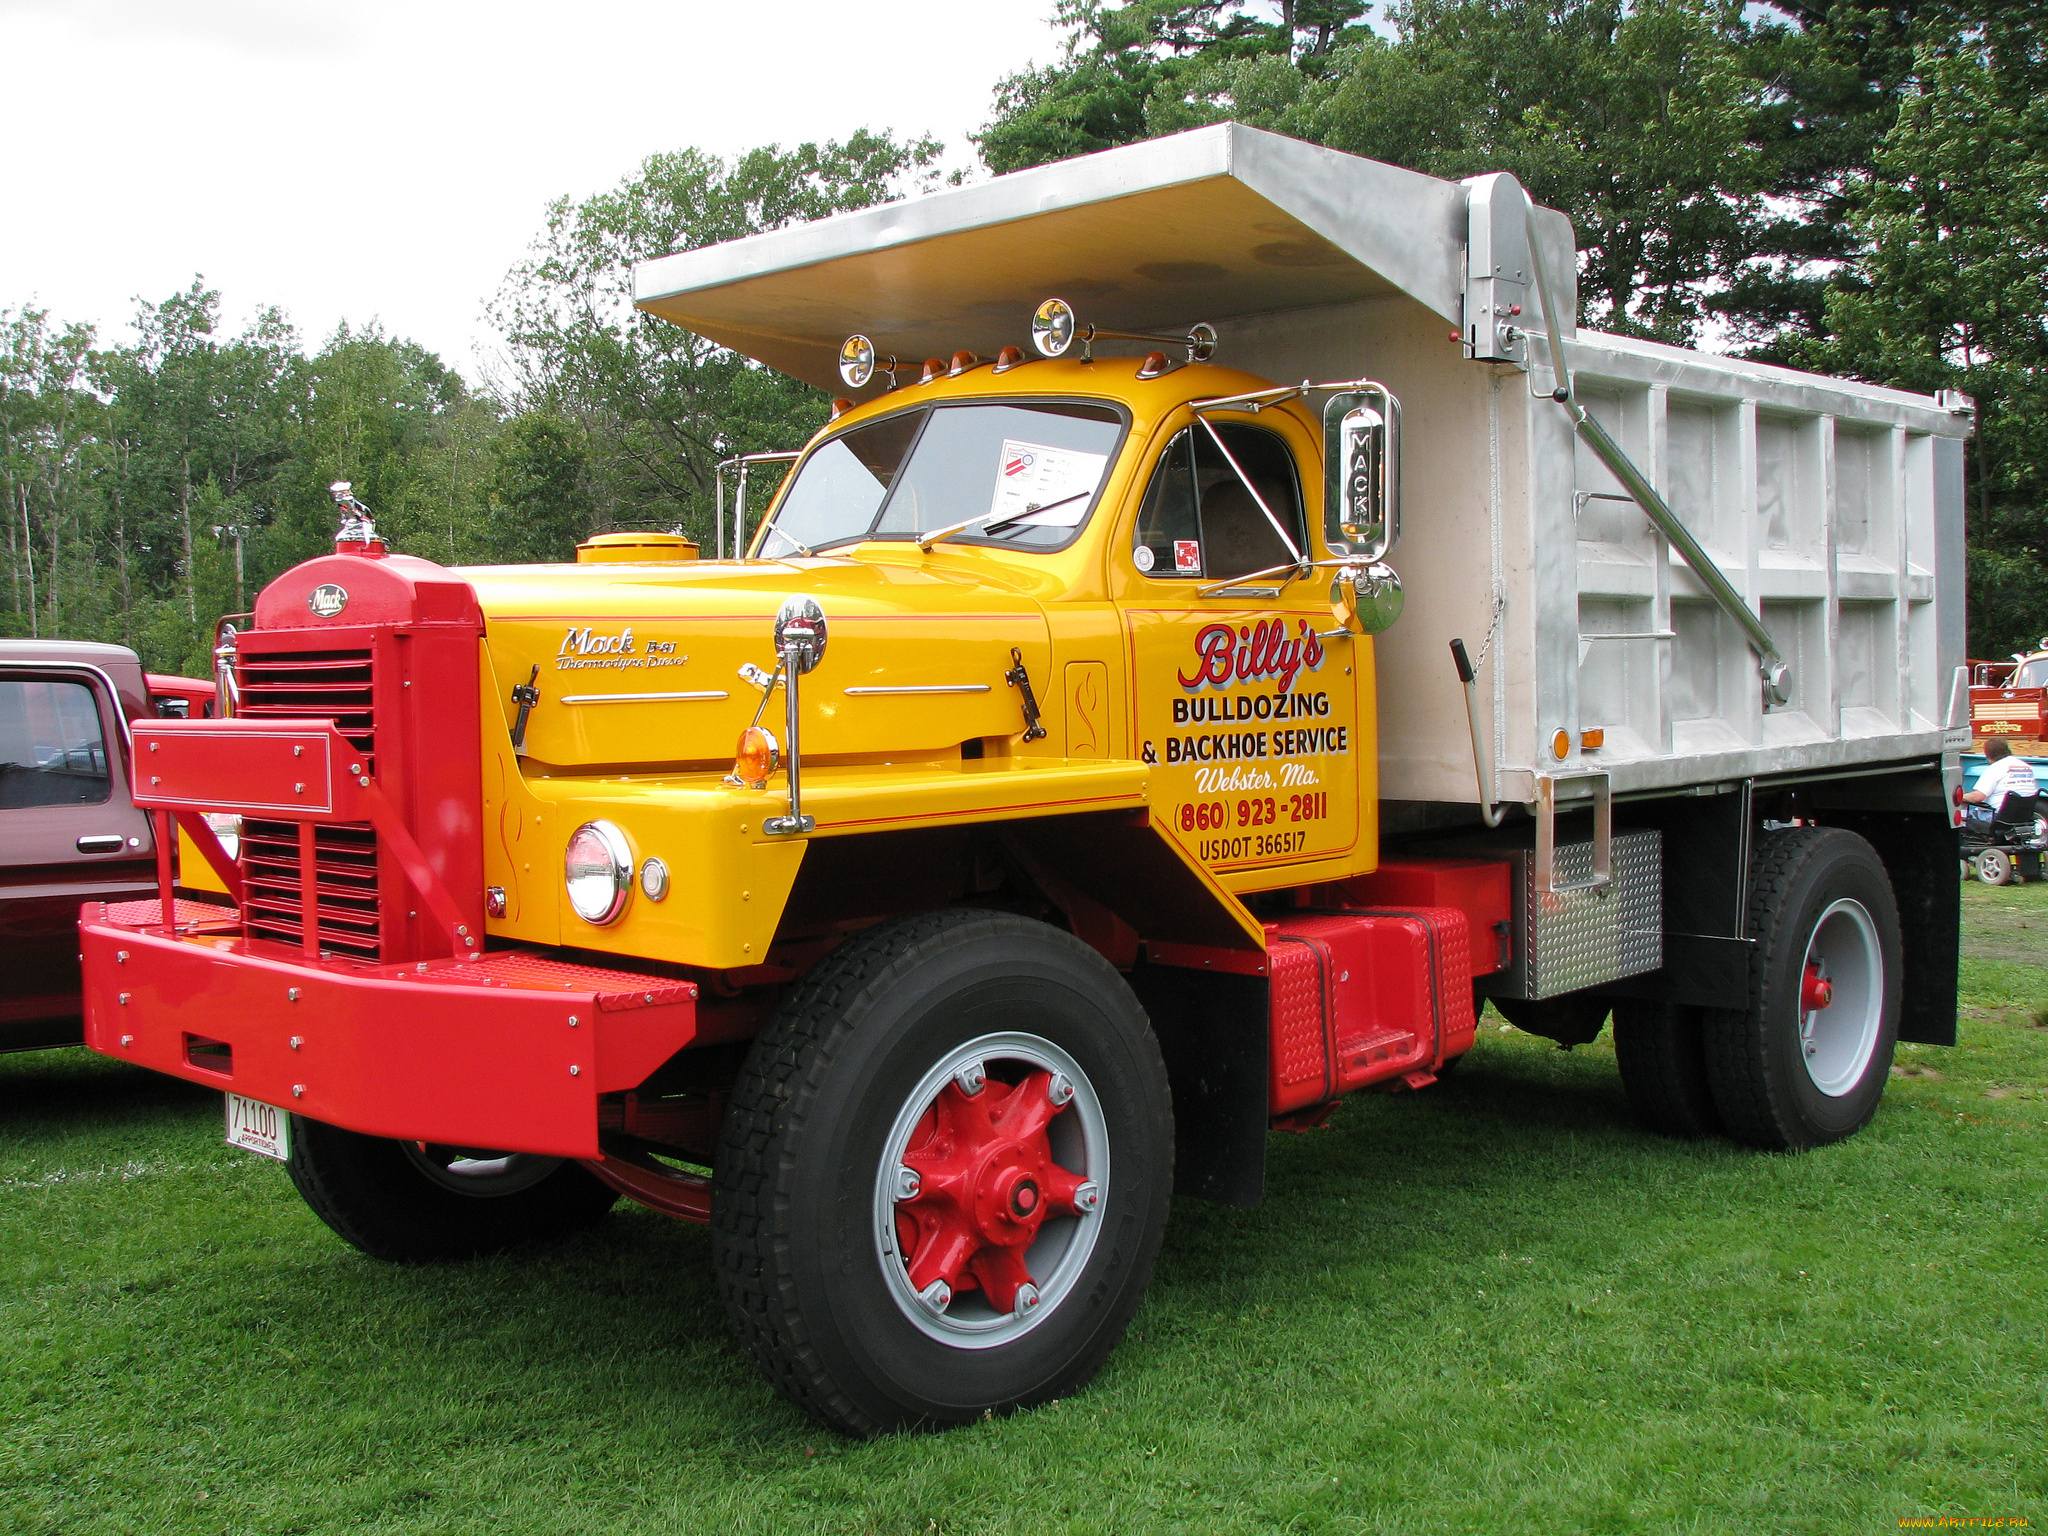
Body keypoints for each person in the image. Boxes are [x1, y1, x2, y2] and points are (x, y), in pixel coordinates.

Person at [1963, 738, 2039, 829]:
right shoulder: (2026, 767)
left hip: (1998, 817)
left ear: (1988, 755)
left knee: (1961, 816)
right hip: (2023, 817)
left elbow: (1977, 797)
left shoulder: (1996, 768)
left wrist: (1960, 797)